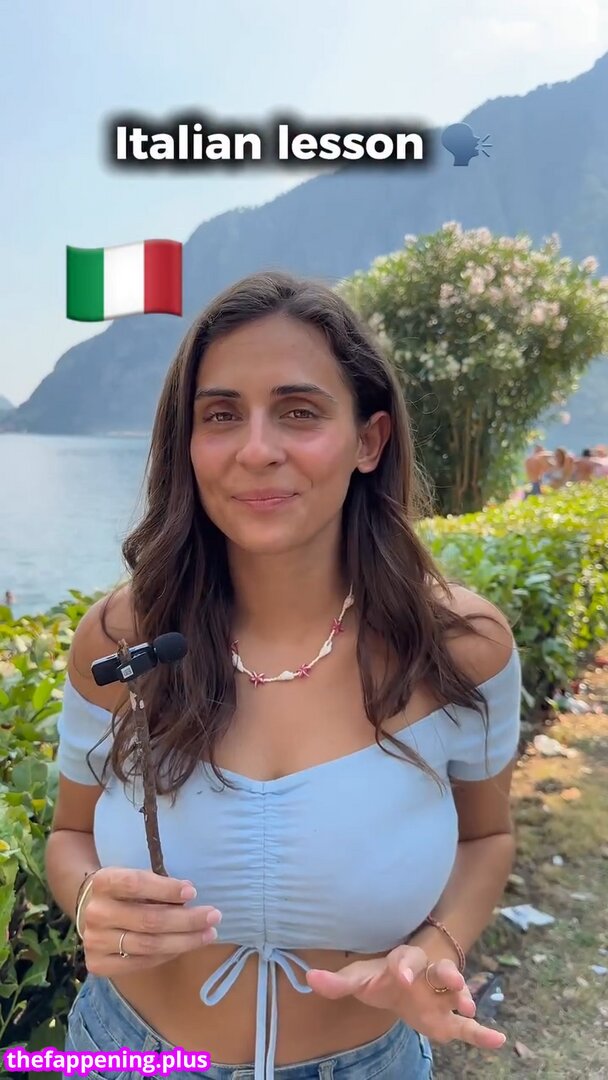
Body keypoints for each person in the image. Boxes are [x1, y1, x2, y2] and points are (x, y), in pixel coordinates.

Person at [46, 271, 521, 1080]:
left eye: (299, 412)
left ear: (369, 441)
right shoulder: (123, 637)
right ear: (188, 443)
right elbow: (69, 836)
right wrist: (91, 899)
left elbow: (487, 837)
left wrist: (435, 947)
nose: (257, 449)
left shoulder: (459, 648)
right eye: (221, 415)